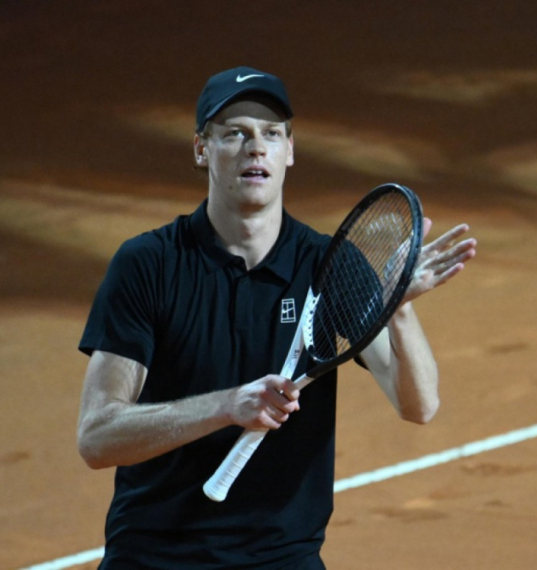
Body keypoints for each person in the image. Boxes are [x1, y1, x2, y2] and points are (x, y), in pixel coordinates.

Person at [77, 66, 477, 569]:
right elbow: (97, 437)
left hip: (282, 557)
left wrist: (399, 309)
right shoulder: (149, 265)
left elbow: (418, 404)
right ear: (201, 149)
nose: (255, 148)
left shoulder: (327, 266)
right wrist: (228, 406)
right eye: (234, 133)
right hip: (154, 556)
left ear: (290, 150)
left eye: (271, 134)